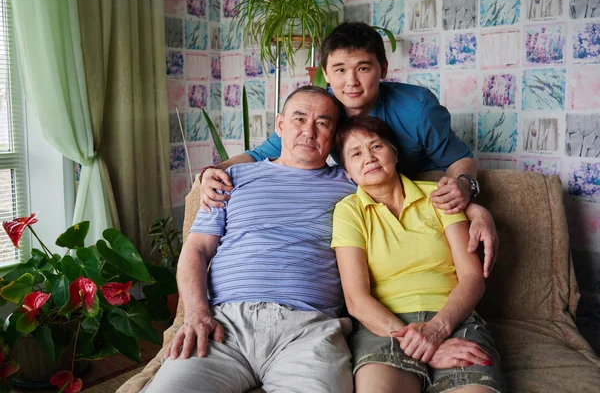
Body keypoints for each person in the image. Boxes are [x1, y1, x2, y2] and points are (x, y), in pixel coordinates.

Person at [199, 22, 499, 278]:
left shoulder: (418, 107)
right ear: (325, 74)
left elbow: (459, 160)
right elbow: (257, 155)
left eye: (363, 68)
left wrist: (466, 190)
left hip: (419, 202)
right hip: (364, 209)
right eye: (340, 70)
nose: (351, 82)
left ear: (383, 69)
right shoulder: (321, 112)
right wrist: (211, 173)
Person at [142, 86, 356, 393]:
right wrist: (197, 314)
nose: (309, 131)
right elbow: (197, 248)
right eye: (299, 119)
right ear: (280, 125)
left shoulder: (352, 185)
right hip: (223, 325)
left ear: (334, 135)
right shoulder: (233, 178)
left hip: (309, 329)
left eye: (322, 123)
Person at [331, 115, 504, 393]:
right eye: (356, 153)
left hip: (453, 318)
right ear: (348, 172)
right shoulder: (348, 211)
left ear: (395, 153)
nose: (369, 158)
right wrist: (419, 342)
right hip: (384, 327)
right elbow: (356, 300)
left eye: (376, 146)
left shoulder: (439, 196)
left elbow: (472, 277)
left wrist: (437, 330)